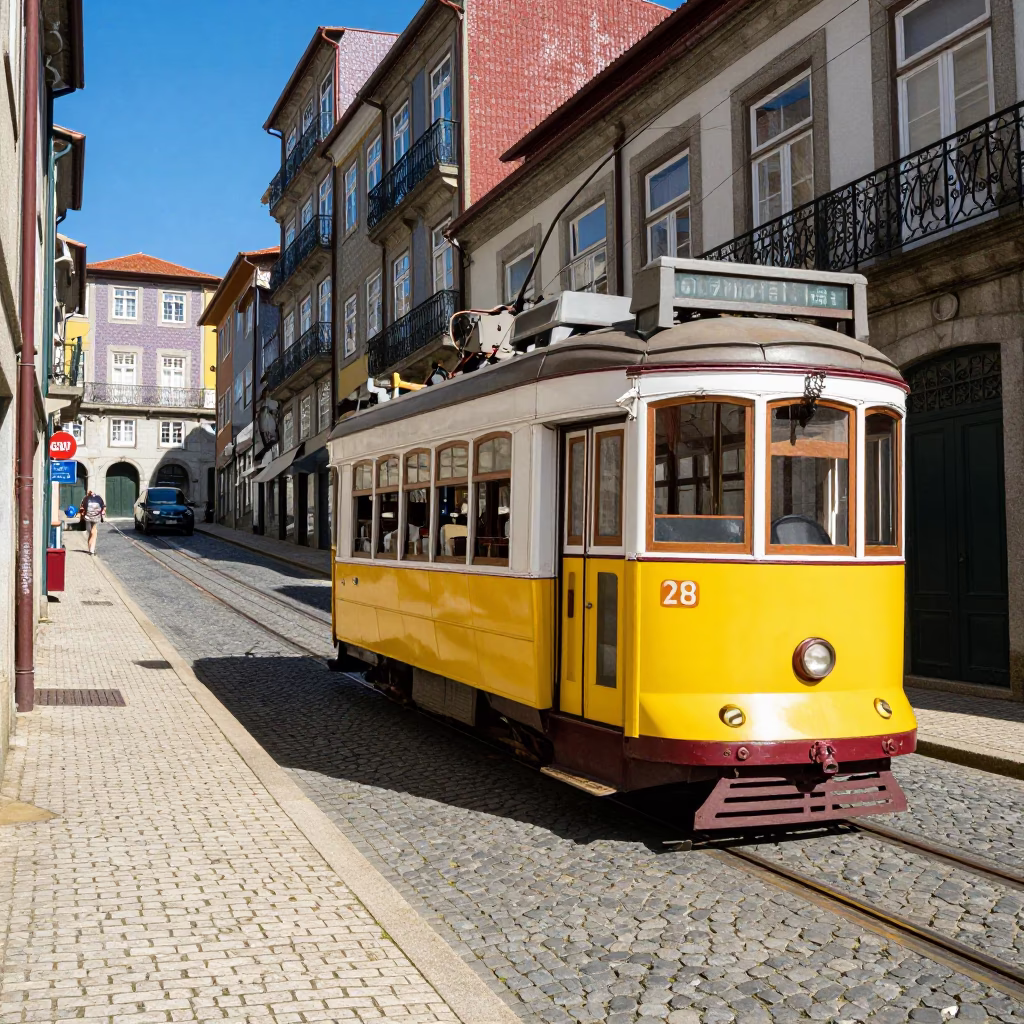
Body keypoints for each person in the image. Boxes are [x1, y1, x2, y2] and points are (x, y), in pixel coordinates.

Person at [79, 489, 105, 556]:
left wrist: (82, 516)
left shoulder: (85, 498)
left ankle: (90, 549)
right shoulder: (98, 498)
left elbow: (81, 509)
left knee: (90, 533)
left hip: (87, 517)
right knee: (94, 533)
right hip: (96, 517)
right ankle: (92, 550)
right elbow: (103, 507)